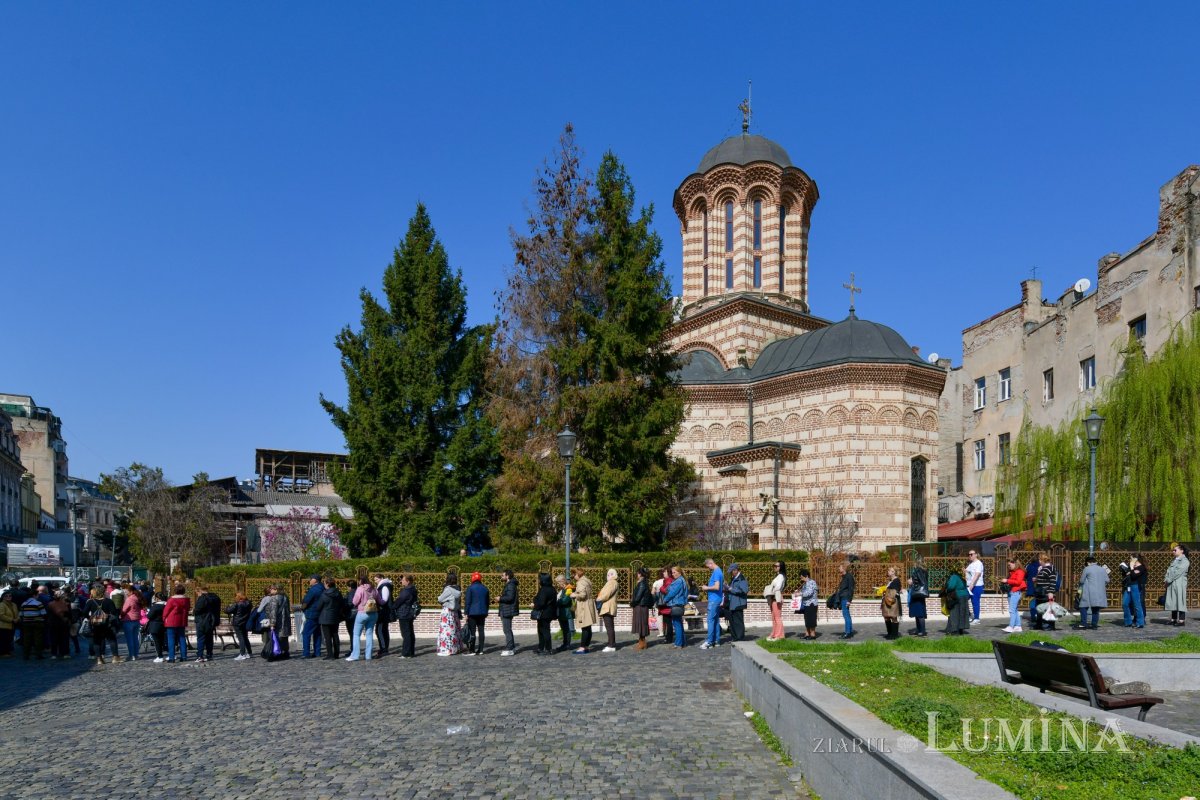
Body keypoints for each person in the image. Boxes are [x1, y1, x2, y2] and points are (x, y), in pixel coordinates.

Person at [346, 577, 380, 662]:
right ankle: (368, 655)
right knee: (369, 634)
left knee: (356, 634)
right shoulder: (374, 589)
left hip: (362, 613)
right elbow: (380, 600)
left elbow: (354, 602)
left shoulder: (360, 589)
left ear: (361, 582)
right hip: (373, 613)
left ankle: (355, 655)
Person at [86, 586, 121, 663]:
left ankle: (99, 659)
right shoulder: (109, 601)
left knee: (97, 641)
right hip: (107, 624)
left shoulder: (90, 602)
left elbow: (84, 613)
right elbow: (114, 612)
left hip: (96, 625)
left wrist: (91, 618)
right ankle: (115, 657)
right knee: (112, 640)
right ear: (103, 592)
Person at [258, 584, 293, 661]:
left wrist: (272, 624)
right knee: (284, 638)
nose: (270, 590)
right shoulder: (285, 597)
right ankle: (285, 653)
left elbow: (273, 612)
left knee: (274, 638)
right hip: (285, 622)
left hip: (278, 622)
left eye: (272, 589)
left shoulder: (274, 598)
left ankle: (275, 653)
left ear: (276, 590)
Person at [312, 578, 344, 660]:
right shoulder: (338, 593)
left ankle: (330, 654)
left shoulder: (324, 594)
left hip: (325, 617)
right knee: (335, 635)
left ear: (327, 584)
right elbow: (342, 604)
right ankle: (336, 653)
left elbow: (319, 607)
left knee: (327, 637)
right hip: (335, 616)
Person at [1073, 555, 1108, 631]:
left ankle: (1083, 623)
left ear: (1088, 562)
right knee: (1095, 609)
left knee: (1083, 607)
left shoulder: (1087, 569)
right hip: (1099, 592)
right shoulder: (1102, 569)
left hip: (1088, 591)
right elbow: (1107, 580)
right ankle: (1094, 625)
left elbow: (1082, 580)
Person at [161, 584, 190, 663]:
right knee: (182, 638)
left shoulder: (171, 600)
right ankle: (184, 656)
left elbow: (166, 611)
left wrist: (163, 618)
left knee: (171, 639)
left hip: (172, 620)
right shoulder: (186, 600)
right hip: (182, 621)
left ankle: (172, 657)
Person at [571, 567, 597, 654]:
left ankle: (582, 647)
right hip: (588, 604)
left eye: (574, 575)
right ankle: (586, 646)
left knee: (585, 627)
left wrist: (574, 595)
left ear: (578, 574)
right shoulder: (587, 580)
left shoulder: (581, 582)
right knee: (588, 627)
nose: (573, 577)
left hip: (583, 606)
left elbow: (582, 595)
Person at [1031, 553, 1060, 630]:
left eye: (1040, 560)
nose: (1039, 561)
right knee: (1039, 608)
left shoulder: (1050, 568)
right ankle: (1039, 624)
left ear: (1043, 560)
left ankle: (1048, 625)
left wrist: (1051, 592)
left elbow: (1052, 581)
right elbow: (1044, 578)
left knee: (1047, 609)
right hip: (1040, 592)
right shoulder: (1042, 568)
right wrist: (1036, 579)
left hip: (1046, 592)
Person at [193, 583, 221, 663]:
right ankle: (209, 655)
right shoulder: (215, 597)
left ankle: (200, 656)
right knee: (209, 638)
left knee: (201, 638)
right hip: (212, 620)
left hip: (202, 620)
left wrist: (194, 611)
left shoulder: (202, 598)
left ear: (200, 590)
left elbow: (197, 610)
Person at [392, 574, 418, 659]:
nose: (401, 581)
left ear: (408, 581)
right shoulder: (413, 589)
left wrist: (393, 606)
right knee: (410, 632)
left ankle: (406, 653)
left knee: (406, 633)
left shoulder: (406, 590)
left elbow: (400, 600)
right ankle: (411, 651)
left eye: (403, 580)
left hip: (404, 613)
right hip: (409, 612)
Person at [701, 558, 724, 650]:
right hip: (716, 599)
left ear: (710, 563)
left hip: (714, 600)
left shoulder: (716, 572)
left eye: (708, 567)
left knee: (710, 620)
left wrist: (706, 588)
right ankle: (716, 641)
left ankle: (710, 642)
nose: (708, 569)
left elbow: (717, 587)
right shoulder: (719, 571)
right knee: (715, 621)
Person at [663, 565, 689, 648]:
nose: (673, 574)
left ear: (679, 572)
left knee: (677, 624)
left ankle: (678, 644)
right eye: (672, 572)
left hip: (676, 604)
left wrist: (665, 600)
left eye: (674, 572)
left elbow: (672, 592)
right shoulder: (681, 580)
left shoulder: (679, 581)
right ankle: (682, 642)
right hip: (679, 604)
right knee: (679, 624)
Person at [436, 575, 462, 656]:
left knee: (446, 631)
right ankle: (456, 648)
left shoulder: (448, 589)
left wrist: (445, 602)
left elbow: (440, 599)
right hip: (455, 612)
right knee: (455, 631)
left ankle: (447, 650)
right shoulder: (458, 588)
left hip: (447, 612)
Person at [532, 573, 557, 655]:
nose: (539, 581)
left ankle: (548, 649)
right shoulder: (552, 589)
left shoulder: (544, 589)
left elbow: (541, 603)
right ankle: (541, 648)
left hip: (544, 613)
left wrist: (534, 603)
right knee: (542, 630)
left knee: (544, 631)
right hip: (549, 613)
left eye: (540, 579)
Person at [299, 575, 324, 659]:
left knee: (306, 633)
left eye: (311, 579)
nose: (309, 580)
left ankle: (306, 653)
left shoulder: (313, 589)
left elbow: (306, 601)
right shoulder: (323, 588)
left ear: (315, 580)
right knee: (317, 633)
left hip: (312, 613)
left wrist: (302, 608)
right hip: (320, 613)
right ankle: (317, 652)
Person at [628, 567, 653, 651]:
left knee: (641, 624)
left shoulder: (642, 583)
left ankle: (642, 643)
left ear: (641, 574)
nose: (637, 574)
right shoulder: (642, 583)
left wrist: (632, 603)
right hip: (641, 606)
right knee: (641, 624)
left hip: (641, 606)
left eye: (638, 573)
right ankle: (642, 642)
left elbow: (638, 597)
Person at [19, 589, 47, 660]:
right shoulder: (38, 603)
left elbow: (21, 614)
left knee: (27, 639)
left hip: (26, 623)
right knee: (38, 639)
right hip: (37, 623)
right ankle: (38, 654)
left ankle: (26, 655)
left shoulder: (23, 604)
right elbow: (43, 613)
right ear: (34, 595)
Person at [1165, 545, 1190, 626]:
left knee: (1180, 600)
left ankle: (1181, 620)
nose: (1173, 551)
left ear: (1181, 551)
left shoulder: (1185, 561)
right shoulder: (1174, 560)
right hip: (1172, 583)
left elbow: (1178, 572)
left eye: (1175, 550)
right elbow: (1168, 571)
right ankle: (1173, 619)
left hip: (1179, 583)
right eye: (1173, 550)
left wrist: (1169, 579)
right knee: (1173, 600)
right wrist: (1166, 579)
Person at [1000, 558, 1027, 633]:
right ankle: (1018, 626)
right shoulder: (1011, 572)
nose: (1009, 566)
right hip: (1010, 592)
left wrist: (1007, 580)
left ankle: (1011, 626)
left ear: (1015, 563)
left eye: (1010, 564)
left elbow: (1018, 582)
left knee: (1011, 610)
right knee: (1014, 610)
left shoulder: (1020, 571)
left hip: (1015, 592)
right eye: (1008, 565)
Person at [225, 591, 253, 660]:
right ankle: (249, 653)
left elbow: (228, 611)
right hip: (245, 622)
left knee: (241, 638)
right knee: (245, 638)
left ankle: (242, 654)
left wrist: (227, 607)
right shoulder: (249, 603)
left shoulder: (237, 604)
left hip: (238, 622)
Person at [497, 569, 519, 656]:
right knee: (507, 629)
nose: (501, 577)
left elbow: (510, 597)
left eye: (503, 575)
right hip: (506, 609)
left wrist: (500, 598)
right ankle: (511, 647)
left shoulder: (510, 585)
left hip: (507, 610)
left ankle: (510, 648)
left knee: (507, 630)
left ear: (507, 576)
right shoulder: (509, 584)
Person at [724, 564, 749, 642]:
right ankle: (735, 638)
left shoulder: (741, 578)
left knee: (738, 622)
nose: (731, 573)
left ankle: (740, 638)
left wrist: (731, 589)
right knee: (733, 622)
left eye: (732, 571)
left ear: (736, 570)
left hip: (738, 603)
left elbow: (744, 590)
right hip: (733, 603)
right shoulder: (734, 578)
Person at [597, 568, 620, 652]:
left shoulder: (612, 582)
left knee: (609, 627)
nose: (608, 576)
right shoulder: (613, 582)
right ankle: (611, 643)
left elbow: (606, 594)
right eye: (607, 574)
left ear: (613, 575)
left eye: (610, 574)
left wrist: (598, 599)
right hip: (608, 606)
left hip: (608, 607)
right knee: (610, 626)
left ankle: (611, 645)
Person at [763, 561, 787, 641]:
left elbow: (778, 587)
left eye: (776, 566)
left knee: (777, 617)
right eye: (774, 566)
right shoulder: (778, 576)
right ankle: (776, 634)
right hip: (773, 597)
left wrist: (771, 588)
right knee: (774, 617)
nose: (775, 567)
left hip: (776, 597)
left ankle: (778, 635)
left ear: (781, 567)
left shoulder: (780, 576)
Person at [943, 568, 970, 635]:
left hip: (957, 596)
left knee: (954, 613)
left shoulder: (954, 576)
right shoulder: (961, 577)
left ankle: (954, 630)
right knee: (962, 613)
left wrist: (946, 588)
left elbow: (951, 586)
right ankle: (961, 629)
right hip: (964, 596)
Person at [1122, 555, 1146, 628]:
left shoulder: (1141, 567)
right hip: (1128, 586)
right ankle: (1128, 621)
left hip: (1135, 586)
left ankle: (1140, 622)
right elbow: (1127, 575)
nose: (1130, 560)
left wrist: (1132, 568)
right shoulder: (1132, 567)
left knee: (1137, 604)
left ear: (1136, 559)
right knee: (1125, 604)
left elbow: (1134, 576)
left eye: (1131, 558)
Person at [908, 558, 929, 637]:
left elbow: (922, 582)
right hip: (919, 594)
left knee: (919, 613)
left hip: (917, 593)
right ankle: (919, 629)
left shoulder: (918, 570)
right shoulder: (924, 570)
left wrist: (912, 582)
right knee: (918, 613)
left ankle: (922, 631)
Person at [374, 573, 394, 657]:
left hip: (383, 611)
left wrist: (376, 601)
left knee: (380, 630)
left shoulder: (384, 586)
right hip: (383, 611)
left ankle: (384, 648)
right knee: (382, 630)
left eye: (376, 579)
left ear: (381, 578)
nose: (375, 581)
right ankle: (384, 647)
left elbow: (384, 600)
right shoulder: (383, 586)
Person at [797, 568, 819, 640]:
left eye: (802, 577)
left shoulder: (811, 582)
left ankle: (813, 635)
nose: (801, 578)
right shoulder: (805, 583)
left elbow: (809, 593)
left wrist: (800, 594)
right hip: (806, 604)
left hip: (811, 604)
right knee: (807, 619)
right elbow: (803, 592)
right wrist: (798, 592)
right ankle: (807, 634)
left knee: (811, 619)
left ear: (806, 576)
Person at [145, 592, 167, 662]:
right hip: (164, 624)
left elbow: (149, 616)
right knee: (164, 640)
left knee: (157, 642)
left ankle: (160, 656)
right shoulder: (166, 605)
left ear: (157, 598)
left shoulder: (155, 606)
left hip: (155, 625)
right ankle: (170, 654)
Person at [882, 567, 902, 640]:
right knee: (886, 617)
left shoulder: (896, 580)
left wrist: (888, 593)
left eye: (889, 570)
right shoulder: (890, 580)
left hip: (893, 601)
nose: (888, 571)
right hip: (886, 600)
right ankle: (889, 633)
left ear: (893, 572)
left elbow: (896, 591)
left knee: (893, 617)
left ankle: (894, 634)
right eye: (888, 570)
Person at [964, 549, 984, 625]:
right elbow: (967, 573)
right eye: (968, 554)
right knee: (963, 599)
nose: (970, 556)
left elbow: (977, 574)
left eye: (971, 554)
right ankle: (969, 616)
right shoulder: (971, 564)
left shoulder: (979, 563)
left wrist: (972, 584)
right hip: (968, 585)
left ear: (976, 554)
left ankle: (976, 619)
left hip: (976, 586)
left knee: (975, 602)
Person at [654, 567, 673, 642]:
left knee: (668, 622)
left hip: (667, 605)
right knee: (667, 622)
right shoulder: (666, 580)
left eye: (665, 572)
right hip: (665, 605)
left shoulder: (669, 581)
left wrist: (661, 589)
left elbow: (667, 591)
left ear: (668, 573)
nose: (663, 573)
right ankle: (667, 637)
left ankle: (668, 638)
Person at [555, 575, 574, 651]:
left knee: (566, 629)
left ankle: (567, 644)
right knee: (564, 629)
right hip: (562, 611)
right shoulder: (563, 589)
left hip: (566, 612)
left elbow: (565, 600)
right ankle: (565, 643)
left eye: (558, 583)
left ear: (562, 581)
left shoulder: (569, 588)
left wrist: (556, 601)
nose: (557, 585)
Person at [0, 590, 17, 657]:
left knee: (9, 639)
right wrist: (12, 620)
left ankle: (7, 652)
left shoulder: (14, 604)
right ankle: (3, 653)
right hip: (3, 625)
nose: (8, 597)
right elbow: (1, 615)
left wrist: (17, 619)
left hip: (12, 625)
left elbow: (16, 613)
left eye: (10, 596)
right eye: (6, 596)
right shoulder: (1, 605)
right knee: (3, 640)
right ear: (3, 597)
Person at [343, 579, 359, 645]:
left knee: (351, 633)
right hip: (358, 613)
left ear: (349, 587)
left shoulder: (350, 593)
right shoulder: (358, 591)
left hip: (351, 614)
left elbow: (350, 604)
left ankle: (353, 649)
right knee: (355, 633)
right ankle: (354, 648)